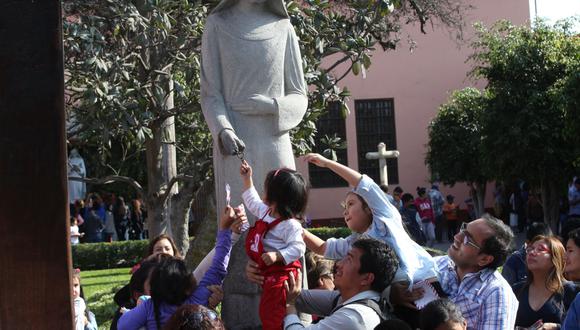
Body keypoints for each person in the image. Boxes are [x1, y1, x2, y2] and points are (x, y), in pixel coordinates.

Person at [200, 1, 308, 324]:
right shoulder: (217, 25)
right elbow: (211, 93)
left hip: (275, 139)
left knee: (285, 213)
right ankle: (242, 301)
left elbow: (299, 96)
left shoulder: (283, 28)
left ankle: (292, 307)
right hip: (235, 141)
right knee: (241, 221)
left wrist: (270, 106)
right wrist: (223, 129)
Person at [296, 153, 437, 285]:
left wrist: (327, 163)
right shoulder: (354, 243)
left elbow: (363, 183)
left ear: (369, 207)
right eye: (344, 208)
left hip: (427, 280)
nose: (345, 212)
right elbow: (322, 248)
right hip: (402, 294)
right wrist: (295, 227)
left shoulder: (385, 218)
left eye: (350, 204)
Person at [118, 205, 245, 329]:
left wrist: (138, 308)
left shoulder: (149, 307)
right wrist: (225, 231)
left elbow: (122, 325)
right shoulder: (198, 298)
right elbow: (218, 267)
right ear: (188, 286)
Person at [394, 214, 518, 329]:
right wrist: (394, 294)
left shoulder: (496, 294)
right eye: (463, 229)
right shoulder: (437, 264)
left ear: (484, 259)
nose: (457, 237)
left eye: (467, 240)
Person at [240, 160, 307, 330]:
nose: (264, 190)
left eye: (267, 186)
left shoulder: (290, 225)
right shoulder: (266, 211)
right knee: (267, 310)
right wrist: (248, 179)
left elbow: (299, 247)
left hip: (280, 275)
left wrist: (278, 255)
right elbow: (252, 201)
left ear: (276, 195)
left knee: (271, 313)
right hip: (268, 272)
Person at [283, 238, 399, 330]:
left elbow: (292, 300)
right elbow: (296, 295)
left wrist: (290, 308)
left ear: (367, 278)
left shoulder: (355, 317)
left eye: (349, 259)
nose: (338, 264)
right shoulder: (348, 298)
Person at [512, 235, 579, 328]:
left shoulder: (571, 291)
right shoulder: (516, 290)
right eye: (530, 249)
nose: (532, 253)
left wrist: (556, 327)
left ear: (555, 258)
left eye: (540, 249)